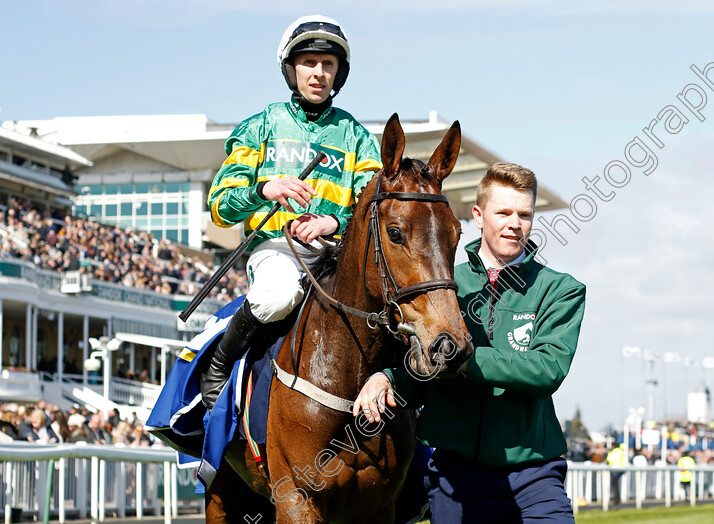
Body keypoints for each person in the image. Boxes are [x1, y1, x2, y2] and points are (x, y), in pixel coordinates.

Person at [354, 163, 586, 523]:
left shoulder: (561, 290)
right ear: (478, 216)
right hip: (454, 477)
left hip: (535, 475)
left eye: (524, 214)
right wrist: (388, 378)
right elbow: (422, 373)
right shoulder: (442, 289)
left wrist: (464, 359)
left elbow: (547, 370)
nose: (515, 223)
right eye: (504, 212)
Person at [200, 15, 382, 409]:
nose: (318, 73)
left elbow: (374, 211)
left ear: (339, 72)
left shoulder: (359, 138)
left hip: (339, 255)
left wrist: (336, 221)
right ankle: (219, 364)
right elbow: (219, 208)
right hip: (278, 249)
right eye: (308, 62)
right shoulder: (260, 126)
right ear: (290, 68)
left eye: (328, 64)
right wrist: (266, 189)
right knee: (277, 296)